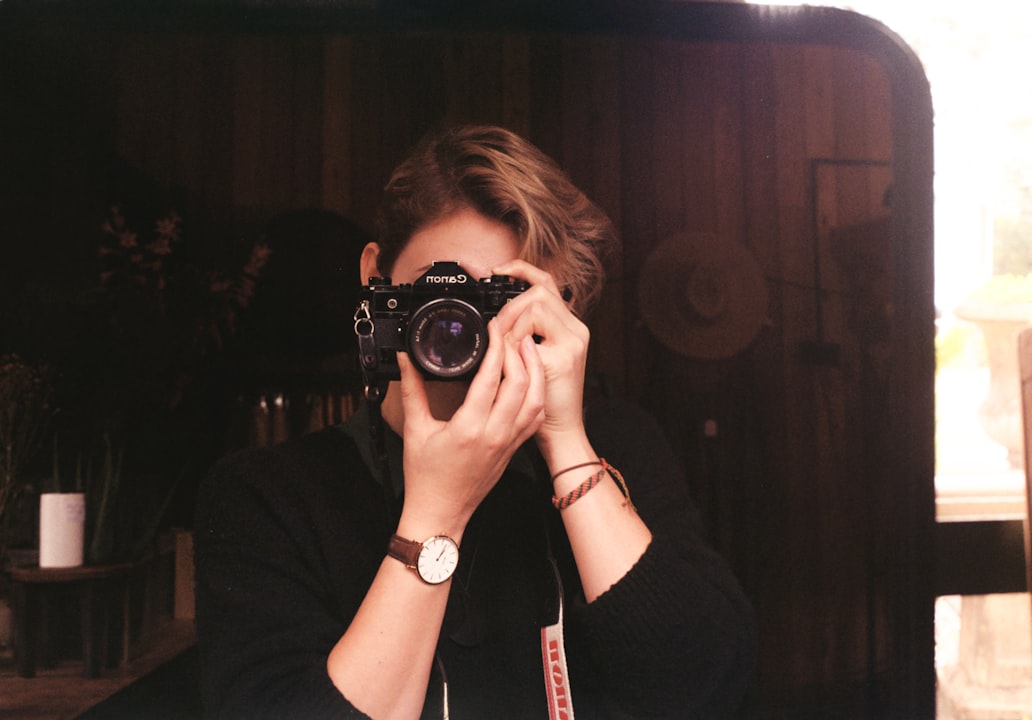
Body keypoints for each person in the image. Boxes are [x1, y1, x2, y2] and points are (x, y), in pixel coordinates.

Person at [195, 125, 756, 719]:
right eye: (445, 289)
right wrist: (436, 512)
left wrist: (566, 448)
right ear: (376, 279)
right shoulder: (264, 496)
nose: (462, 325)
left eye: (502, 295)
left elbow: (705, 685)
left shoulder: (618, 446)